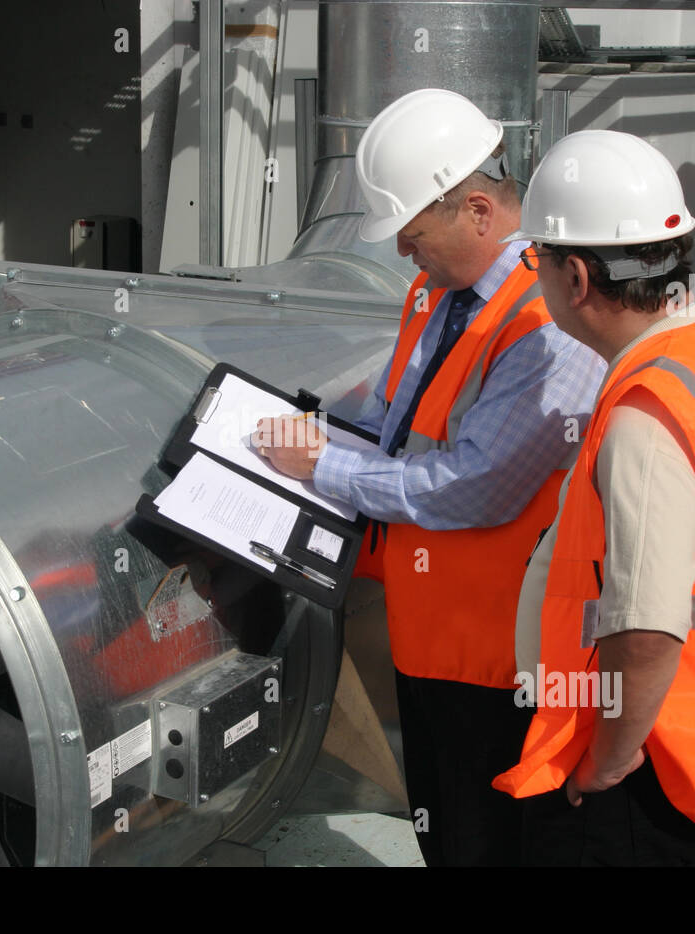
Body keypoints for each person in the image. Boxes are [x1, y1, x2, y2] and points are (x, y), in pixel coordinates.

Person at [252, 89, 605, 866]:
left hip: (499, 659)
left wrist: (323, 464)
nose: (405, 255)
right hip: (428, 638)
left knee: (490, 843)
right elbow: (397, 425)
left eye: (412, 236)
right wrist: (317, 437)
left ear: (478, 210)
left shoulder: (546, 325)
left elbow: (475, 485)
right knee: (443, 833)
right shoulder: (437, 292)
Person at [491, 129, 695, 866]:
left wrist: (608, 758)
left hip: (640, 765)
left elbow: (645, 633)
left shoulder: (648, 416)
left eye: (533, 259)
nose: (533, 277)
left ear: (575, 277)